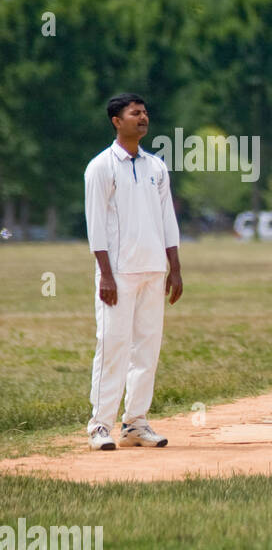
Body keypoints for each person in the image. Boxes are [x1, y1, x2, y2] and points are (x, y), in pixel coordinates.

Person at [84, 93, 183, 451]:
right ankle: (99, 426)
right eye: (135, 113)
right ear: (116, 120)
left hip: (153, 270)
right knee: (112, 346)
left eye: (145, 113)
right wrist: (105, 275)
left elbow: (167, 220)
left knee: (146, 349)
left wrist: (175, 269)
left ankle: (135, 423)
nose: (143, 118)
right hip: (119, 273)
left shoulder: (156, 167)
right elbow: (96, 226)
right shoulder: (101, 167)